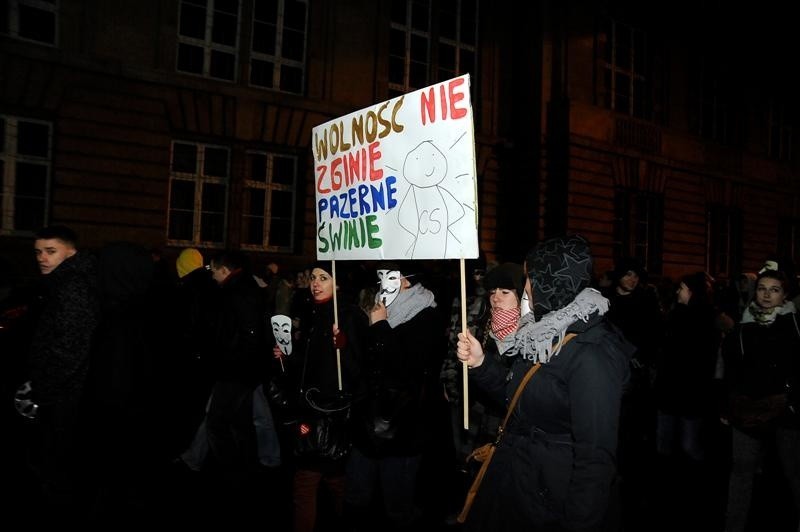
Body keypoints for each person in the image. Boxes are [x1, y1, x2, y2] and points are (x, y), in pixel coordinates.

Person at [456, 235, 633, 531]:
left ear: (552, 281)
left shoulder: (592, 353)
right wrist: (481, 363)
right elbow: (519, 402)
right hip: (520, 483)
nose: (526, 287)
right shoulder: (541, 332)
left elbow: (595, 461)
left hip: (552, 501)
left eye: (531, 278)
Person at [346, 261, 442, 531]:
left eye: (388, 278)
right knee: (357, 498)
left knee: (396, 506)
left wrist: (379, 327)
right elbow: (365, 362)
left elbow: (403, 368)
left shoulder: (427, 316)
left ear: (407, 282)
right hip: (368, 422)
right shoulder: (378, 310)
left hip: (403, 427)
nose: (380, 284)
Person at [16, 225, 99, 522]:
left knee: (56, 459)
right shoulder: (65, 281)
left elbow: (69, 349)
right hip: (61, 390)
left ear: (71, 252)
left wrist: (43, 390)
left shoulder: (72, 286)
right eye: (38, 251)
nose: (42, 258)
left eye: (51, 251)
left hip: (62, 392)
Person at [278, 261, 365, 532]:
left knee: (307, 480)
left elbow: (361, 368)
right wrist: (288, 356)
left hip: (331, 413)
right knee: (333, 477)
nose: (315, 283)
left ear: (337, 283)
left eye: (323, 278)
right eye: (314, 277)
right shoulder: (313, 312)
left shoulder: (348, 315)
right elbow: (310, 363)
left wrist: (345, 346)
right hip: (310, 409)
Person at [721, 268, 800, 532]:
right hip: (748, 409)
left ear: (784, 295)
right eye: (762, 288)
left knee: (793, 472)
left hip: (785, 410)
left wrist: (792, 401)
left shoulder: (795, 325)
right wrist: (728, 404)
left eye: (774, 290)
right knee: (741, 472)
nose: (767, 295)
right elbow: (732, 370)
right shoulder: (743, 326)